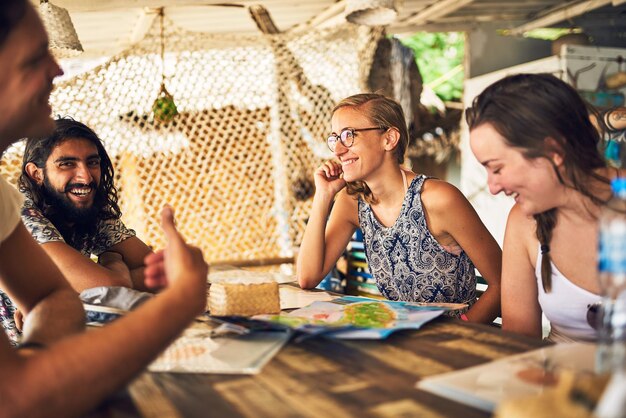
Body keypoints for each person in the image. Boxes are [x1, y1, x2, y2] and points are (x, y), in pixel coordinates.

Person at [0, 2, 208, 416]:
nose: (58, 69)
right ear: (36, 174)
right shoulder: (25, 212)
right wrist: (178, 302)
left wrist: (39, 354)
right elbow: (15, 398)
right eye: (36, 56)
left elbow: (54, 297)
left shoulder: (77, 212)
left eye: (92, 162)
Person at [297, 93, 502, 323]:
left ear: (389, 138)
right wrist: (323, 196)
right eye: (335, 138)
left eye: (349, 135)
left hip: (456, 342)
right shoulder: (352, 201)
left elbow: (503, 282)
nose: (338, 150)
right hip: (400, 336)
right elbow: (308, 278)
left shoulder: (439, 199)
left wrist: (459, 335)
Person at [466, 73, 624, 342]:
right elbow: (518, 345)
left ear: (553, 151)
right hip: (556, 381)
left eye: (497, 168)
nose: (493, 187)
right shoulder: (525, 223)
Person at [19, 117, 153, 292]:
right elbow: (112, 288)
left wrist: (109, 282)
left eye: (92, 163)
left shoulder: (86, 207)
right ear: (36, 174)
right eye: (67, 164)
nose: (86, 177)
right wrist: (113, 262)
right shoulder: (20, 214)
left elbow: (161, 273)